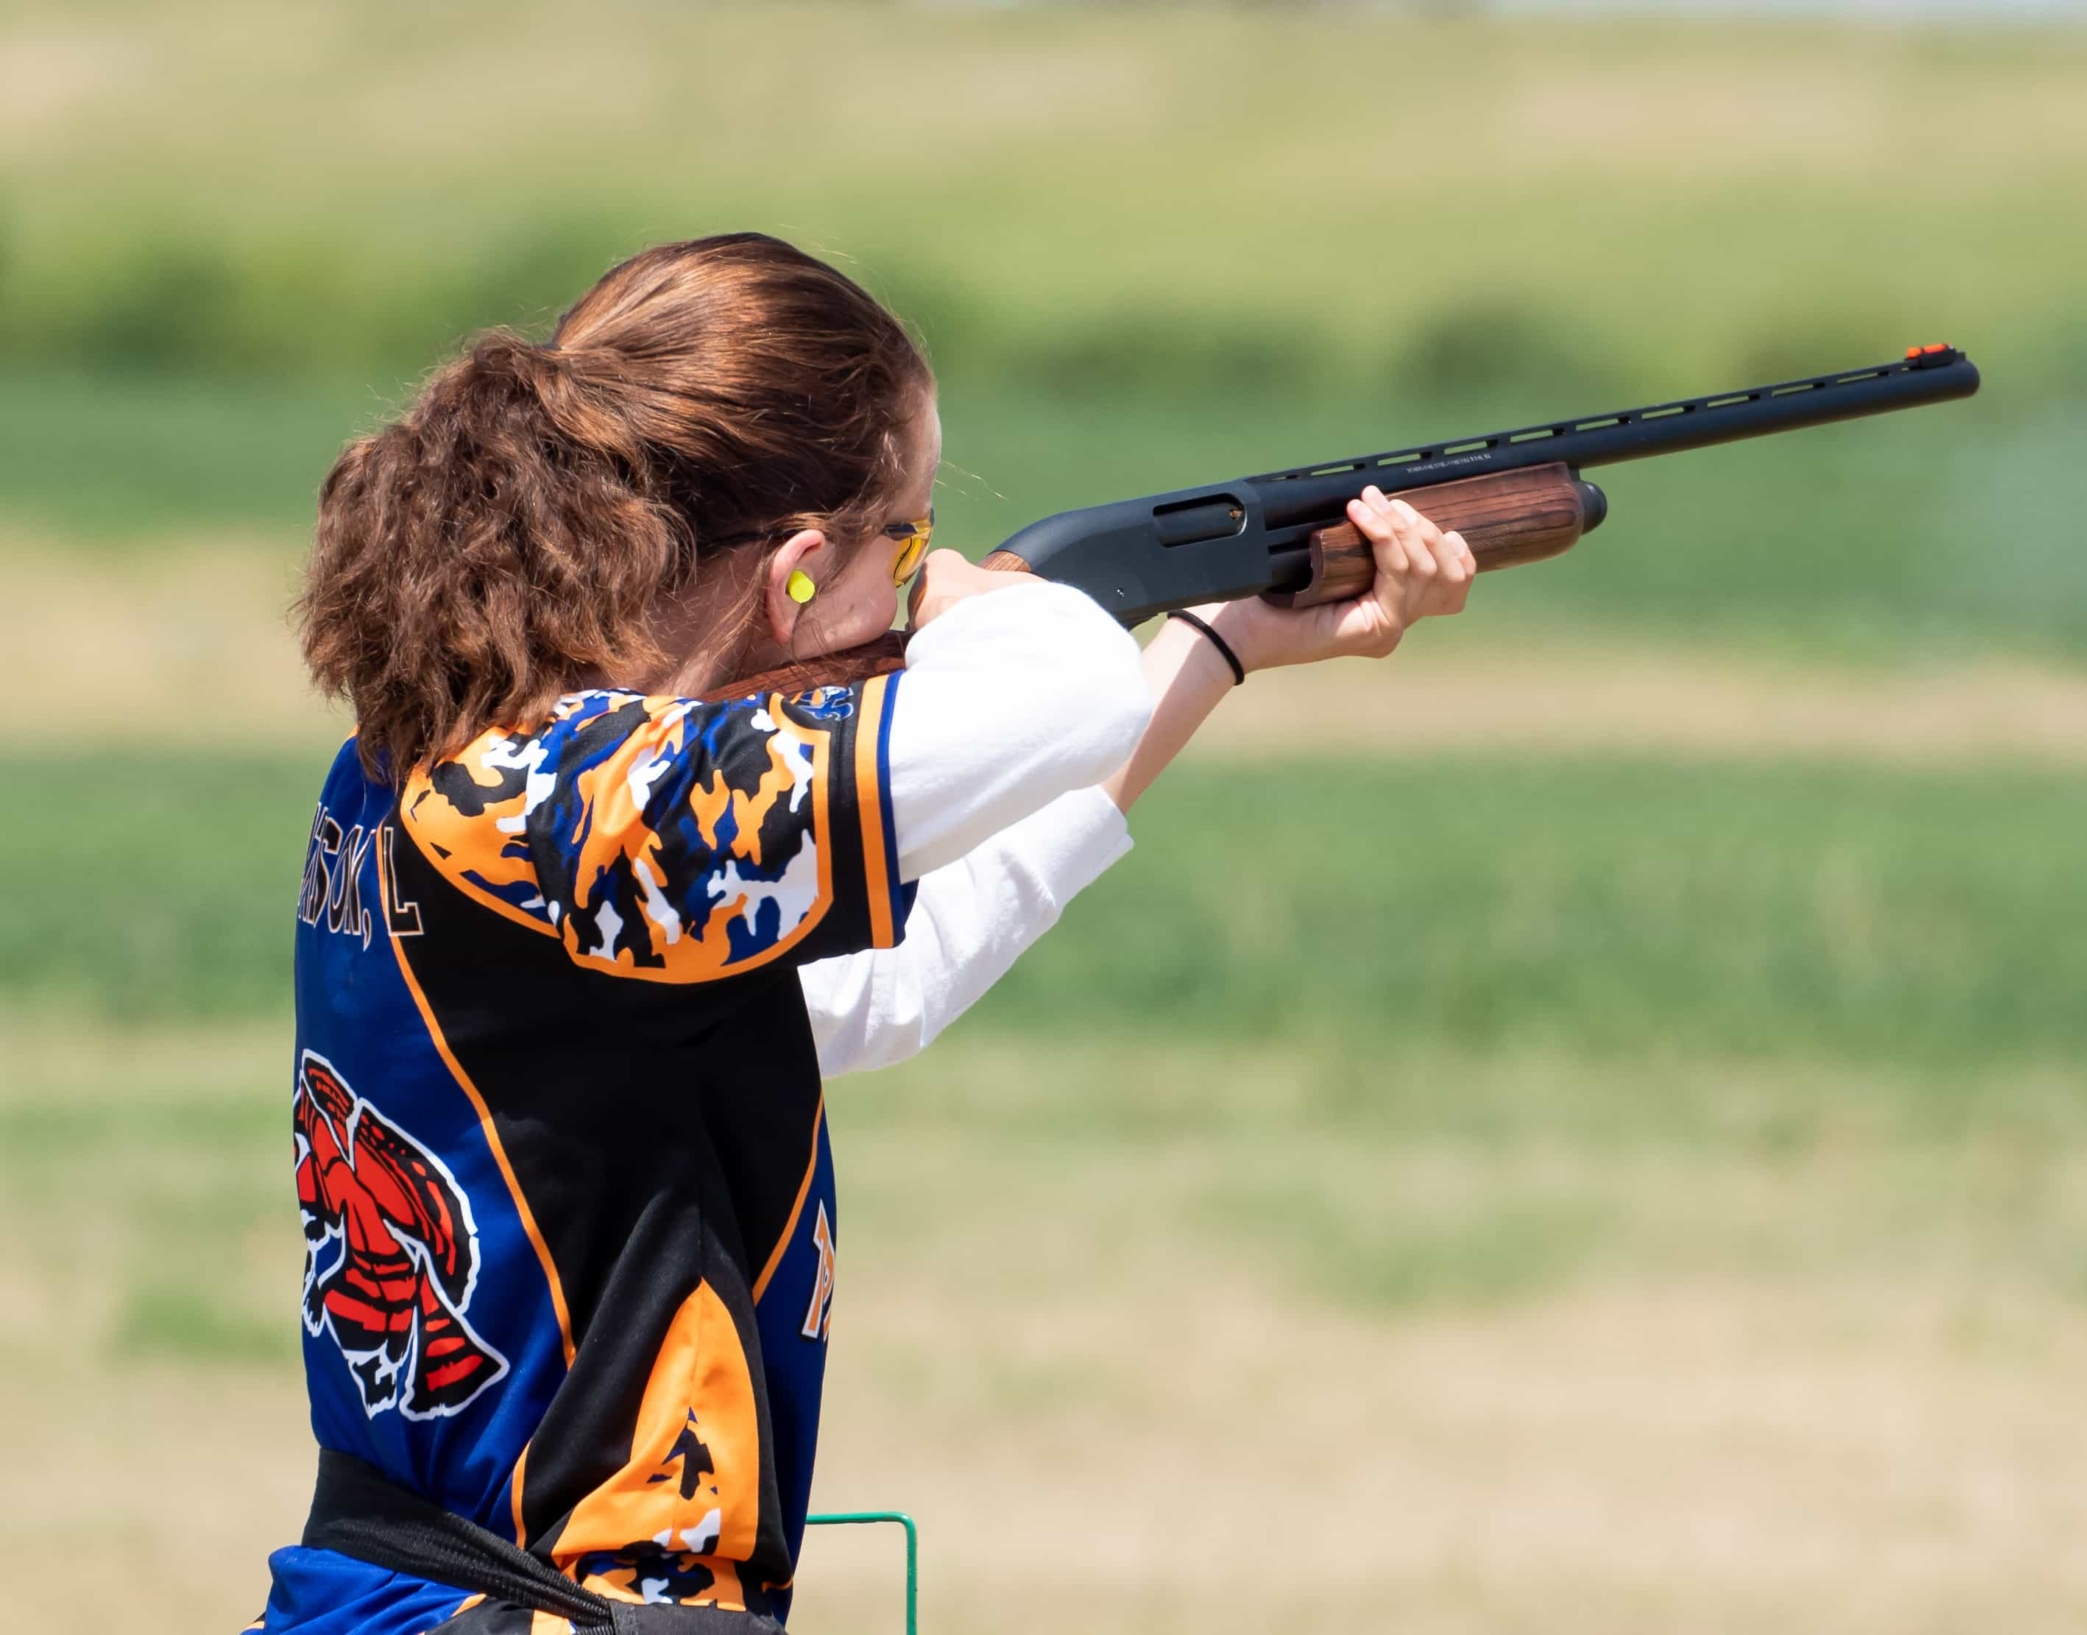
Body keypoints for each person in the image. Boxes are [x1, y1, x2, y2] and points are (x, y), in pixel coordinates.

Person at [256, 233, 1474, 1635]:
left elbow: (876, 987)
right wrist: (1006, 610)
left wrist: (1215, 643)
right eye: (907, 542)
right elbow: (1058, 688)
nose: (919, 583)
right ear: (800, 568)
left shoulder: (476, 764)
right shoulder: (582, 802)